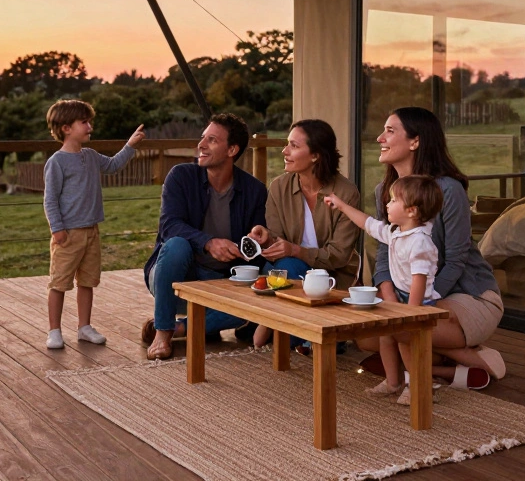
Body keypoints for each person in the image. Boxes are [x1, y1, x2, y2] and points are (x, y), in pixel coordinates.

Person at [362, 107, 508, 390]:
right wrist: (391, 296)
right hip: (417, 295)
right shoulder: (386, 191)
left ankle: (472, 361)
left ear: (415, 142)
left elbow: (456, 260)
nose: (380, 138)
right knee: (366, 335)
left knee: (399, 329)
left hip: (468, 294)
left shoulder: (448, 190)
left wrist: (417, 306)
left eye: (390, 131)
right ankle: (449, 368)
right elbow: (384, 252)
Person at [141, 113, 267, 360]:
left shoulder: (254, 190)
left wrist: (259, 238)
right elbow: (169, 225)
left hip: (221, 282)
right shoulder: (181, 176)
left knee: (255, 304)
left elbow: (256, 244)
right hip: (176, 278)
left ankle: (184, 327)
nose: (201, 145)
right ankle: (163, 331)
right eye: (203, 138)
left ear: (232, 149)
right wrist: (208, 243)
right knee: (177, 245)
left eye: (212, 140)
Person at [324, 175, 443, 404]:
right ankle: (392, 382)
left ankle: (418, 385)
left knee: (405, 342)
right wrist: (342, 205)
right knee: (386, 336)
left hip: (417, 304)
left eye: (393, 200)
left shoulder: (420, 242)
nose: (387, 204)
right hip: (401, 298)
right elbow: (367, 223)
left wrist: (410, 313)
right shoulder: (397, 233)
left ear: (412, 211)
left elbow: (419, 278)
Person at [244, 119, 361, 348]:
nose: (284, 151)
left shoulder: (346, 193)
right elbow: (278, 241)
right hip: (290, 270)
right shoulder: (279, 186)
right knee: (287, 267)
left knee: (289, 269)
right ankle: (291, 328)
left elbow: (339, 255)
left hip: (331, 277)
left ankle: (273, 320)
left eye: (294, 146)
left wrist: (296, 250)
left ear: (316, 155)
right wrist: (267, 237)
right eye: (287, 144)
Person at [42, 99, 146, 350]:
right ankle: (54, 331)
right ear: (67, 128)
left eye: (90, 122)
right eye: (84, 122)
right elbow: (50, 199)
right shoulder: (57, 162)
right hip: (67, 235)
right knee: (59, 284)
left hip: (92, 232)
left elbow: (112, 166)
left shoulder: (90, 156)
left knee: (87, 282)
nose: (90, 127)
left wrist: (129, 146)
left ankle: (84, 327)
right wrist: (57, 230)